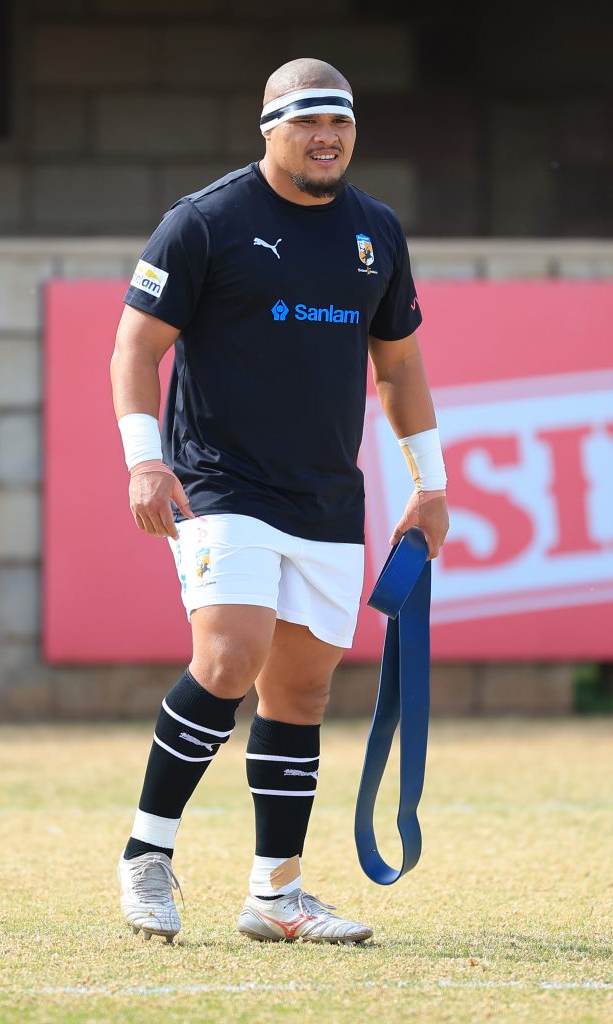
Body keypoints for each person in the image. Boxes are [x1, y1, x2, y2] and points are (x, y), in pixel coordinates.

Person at [110, 57, 449, 946]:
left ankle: (276, 894)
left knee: (299, 692)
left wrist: (431, 486)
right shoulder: (204, 223)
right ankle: (148, 854)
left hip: (328, 498)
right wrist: (145, 462)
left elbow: (400, 366)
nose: (326, 138)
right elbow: (134, 348)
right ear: (269, 127)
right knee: (230, 656)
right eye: (307, 123)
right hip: (220, 482)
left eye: (339, 123)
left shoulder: (375, 231)